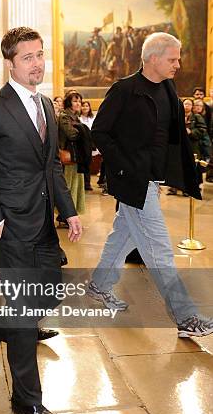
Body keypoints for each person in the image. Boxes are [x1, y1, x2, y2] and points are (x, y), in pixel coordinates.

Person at [0, 26, 82, 414]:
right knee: (25, 314)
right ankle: (28, 401)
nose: (37, 63)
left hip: (45, 223)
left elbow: (50, 166)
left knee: (49, 297)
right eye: (28, 57)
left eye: (40, 54)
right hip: (10, 228)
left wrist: (70, 211)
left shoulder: (47, 105)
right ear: (9, 63)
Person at [88, 31, 213, 338]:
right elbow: (100, 133)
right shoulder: (124, 90)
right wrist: (130, 168)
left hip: (152, 179)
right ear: (153, 58)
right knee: (159, 250)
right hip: (134, 182)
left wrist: (174, 172)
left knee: (122, 237)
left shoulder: (168, 88)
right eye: (173, 58)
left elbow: (171, 136)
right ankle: (185, 317)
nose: (178, 64)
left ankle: (97, 287)